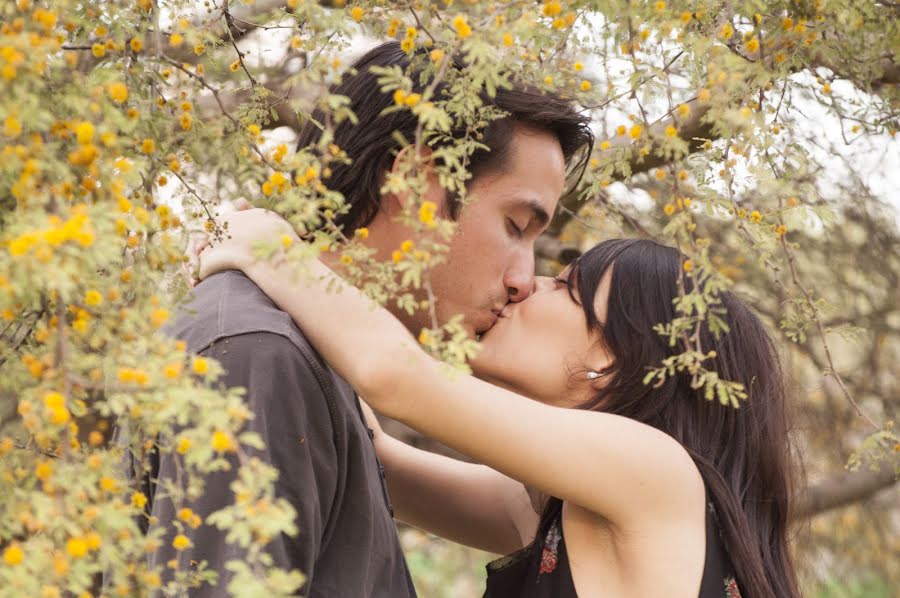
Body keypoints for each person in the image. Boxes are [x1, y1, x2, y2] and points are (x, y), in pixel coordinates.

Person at [136, 40, 593, 597]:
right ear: (413, 184)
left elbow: (394, 379)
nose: (524, 279)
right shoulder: (259, 354)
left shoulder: (304, 362)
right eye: (516, 226)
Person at [195, 208, 801, 598]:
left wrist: (272, 250)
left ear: (612, 359)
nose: (525, 284)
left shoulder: (657, 472)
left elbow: (393, 377)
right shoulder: (567, 511)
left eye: (566, 289)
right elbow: (372, 457)